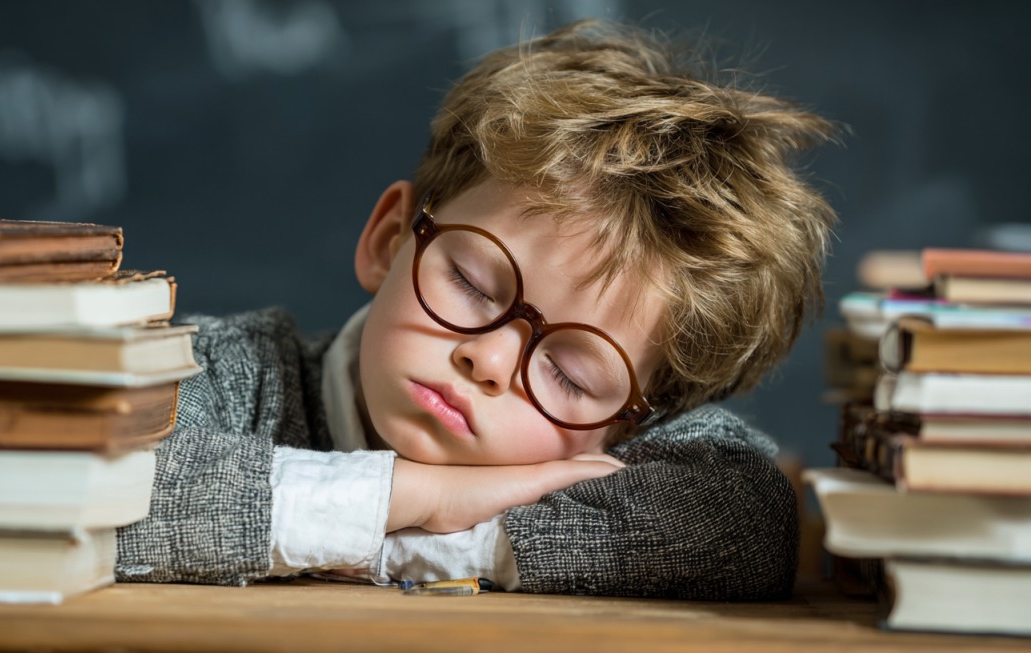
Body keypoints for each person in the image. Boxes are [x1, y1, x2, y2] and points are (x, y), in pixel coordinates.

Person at [116, 18, 837, 600]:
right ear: (389, 239)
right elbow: (95, 492)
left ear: (633, 420)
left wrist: (432, 537)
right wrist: (429, 494)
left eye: (573, 376)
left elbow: (747, 522)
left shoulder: (649, 452)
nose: (487, 359)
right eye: (470, 282)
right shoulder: (228, 372)